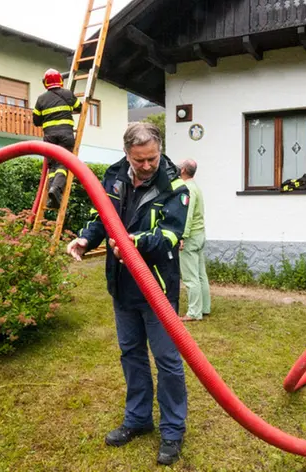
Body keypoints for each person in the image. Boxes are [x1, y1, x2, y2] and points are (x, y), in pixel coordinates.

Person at [66, 122, 190, 466]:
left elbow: (171, 236)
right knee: (131, 354)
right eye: (140, 160)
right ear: (127, 154)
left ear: (159, 150)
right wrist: (86, 238)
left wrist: (134, 243)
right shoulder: (114, 174)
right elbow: (102, 216)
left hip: (157, 288)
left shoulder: (175, 186)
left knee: (166, 361)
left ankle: (172, 430)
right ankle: (138, 419)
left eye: (151, 158)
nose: (147, 166)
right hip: (122, 285)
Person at [32, 68, 83, 209]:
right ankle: (56, 190)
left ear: (45, 83)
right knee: (63, 164)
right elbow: (80, 108)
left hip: (49, 138)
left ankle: (51, 197)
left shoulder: (41, 99)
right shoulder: (67, 94)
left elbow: (36, 121)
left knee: (52, 166)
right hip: (66, 135)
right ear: (60, 80)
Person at [177, 160, 211, 322]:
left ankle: (193, 312)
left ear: (183, 170)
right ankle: (204, 308)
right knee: (200, 274)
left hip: (190, 237)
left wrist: (182, 236)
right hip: (200, 234)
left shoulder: (188, 189)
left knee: (190, 277)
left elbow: (187, 215)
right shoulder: (196, 187)